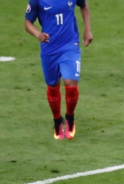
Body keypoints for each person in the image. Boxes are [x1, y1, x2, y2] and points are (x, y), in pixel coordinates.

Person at [24, 0, 93, 140]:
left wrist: (87, 29)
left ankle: (70, 118)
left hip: (70, 45)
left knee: (71, 84)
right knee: (53, 86)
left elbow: (84, 6)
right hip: (49, 48)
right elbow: (27, 23)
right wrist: (38, 34)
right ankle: (57, 120)